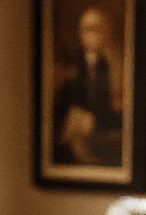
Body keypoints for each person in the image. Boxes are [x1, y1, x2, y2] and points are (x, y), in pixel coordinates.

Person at [52, 6, 123, 167]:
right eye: (88, 30)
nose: (93, 35)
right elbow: (65, 101)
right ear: (80, 34)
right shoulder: (73, 63)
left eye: (98, 30)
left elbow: (107, 100)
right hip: (75, 120)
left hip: (99, 120)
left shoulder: (107, 64)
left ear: (106, 33)